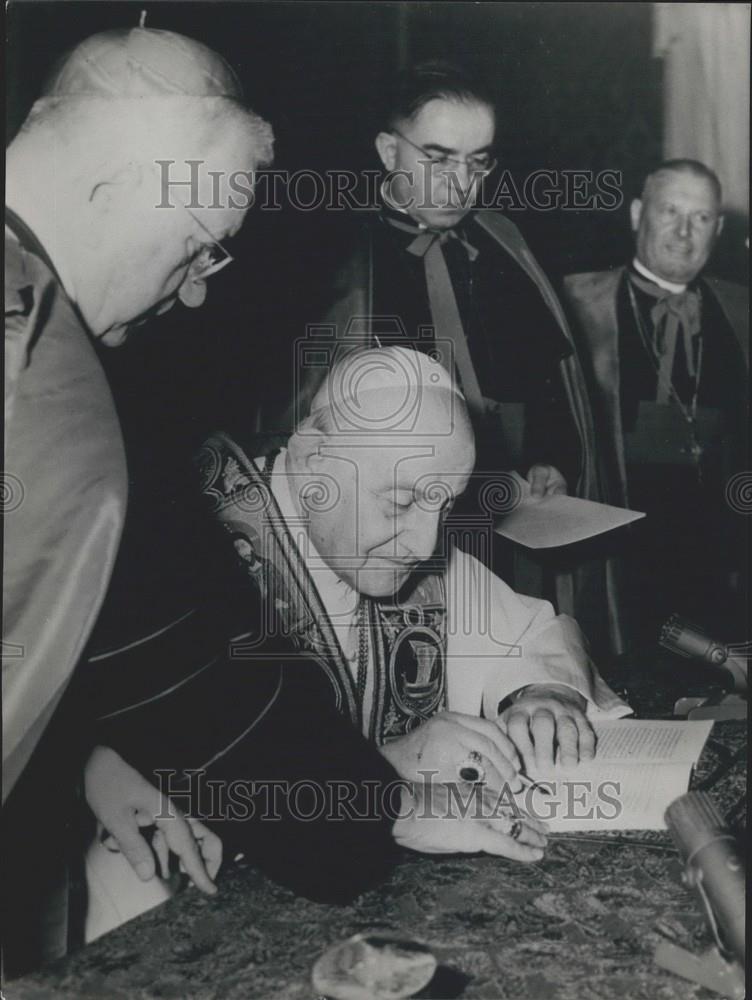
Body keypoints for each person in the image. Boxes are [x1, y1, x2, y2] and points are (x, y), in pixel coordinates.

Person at [3, 30, 548, 973]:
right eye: (197, 249)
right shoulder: (45, 375)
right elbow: (179, 661)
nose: (198, 296)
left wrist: (86, 755)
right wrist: (368, 815)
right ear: (122, 188)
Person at [270, 60, 622, 653]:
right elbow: (306, 424)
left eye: (479, 162)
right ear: (388, 150)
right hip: (392, 525)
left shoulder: (504, 241)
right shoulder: (332, 255)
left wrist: (549, 457)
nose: (461, 183)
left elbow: (550, 382)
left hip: (510, 525)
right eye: (438, 158)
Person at [200, 347, 630, 789]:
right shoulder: (193, 548)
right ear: (313, 465)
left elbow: (530, 636)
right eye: (400, 502)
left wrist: (544, 693)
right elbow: (182, 785)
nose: (425, 546)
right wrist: (383, 768)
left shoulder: (405, 542)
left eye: (445, 505)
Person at [562, 160, 748, 643]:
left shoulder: (742, 310)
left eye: (701, 218)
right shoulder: (576, 302)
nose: (684, 232)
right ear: (637, 213)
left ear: (719, 228)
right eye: (670, 211)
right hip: (614, 557)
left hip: (719, 559)